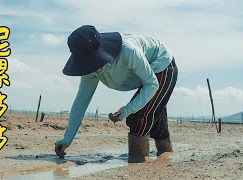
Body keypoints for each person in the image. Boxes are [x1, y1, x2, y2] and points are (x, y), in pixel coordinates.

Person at [55, 25, 178, 163]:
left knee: (139, 117)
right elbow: (81, 101)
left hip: (162, 65)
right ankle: (165, 155)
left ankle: (138, 160)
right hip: (146, 77)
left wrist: (128, 109)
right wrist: (67, 138)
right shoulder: (89, 70)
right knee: (154, 112)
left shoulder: (128, 51)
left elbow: (151, 84)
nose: (91, 65)